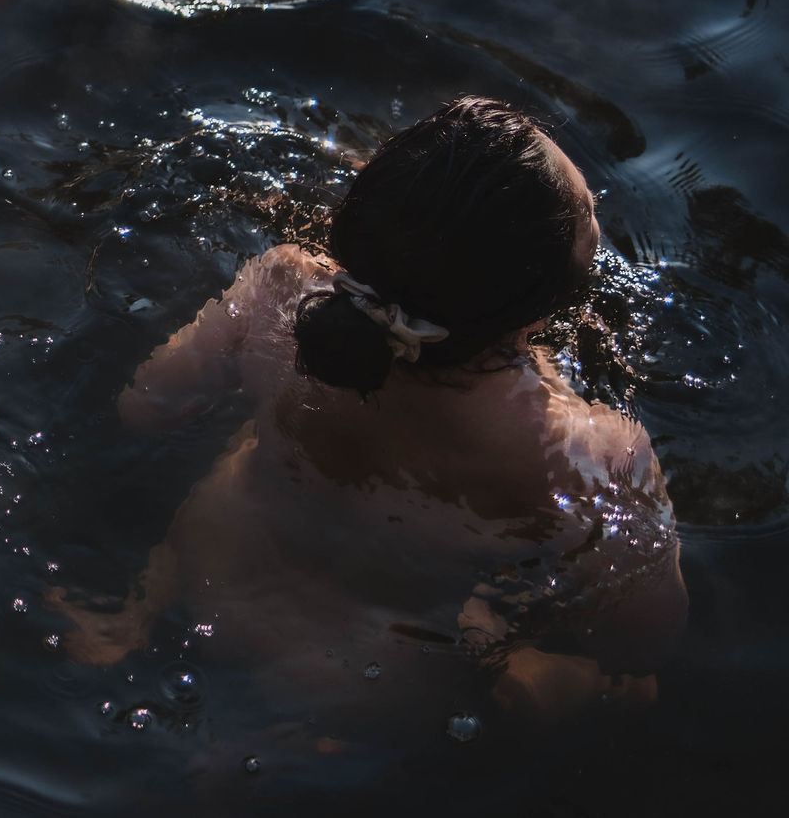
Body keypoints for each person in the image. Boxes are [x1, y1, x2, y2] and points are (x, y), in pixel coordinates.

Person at [55, 98, 685, 741]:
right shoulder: (588, 455)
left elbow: (148, 408)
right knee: (632, 689)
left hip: (203, 561)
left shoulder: (282, 288)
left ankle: (135, 620)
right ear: (539, 312)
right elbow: (646, 635)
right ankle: (282, 755)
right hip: (359, 672)